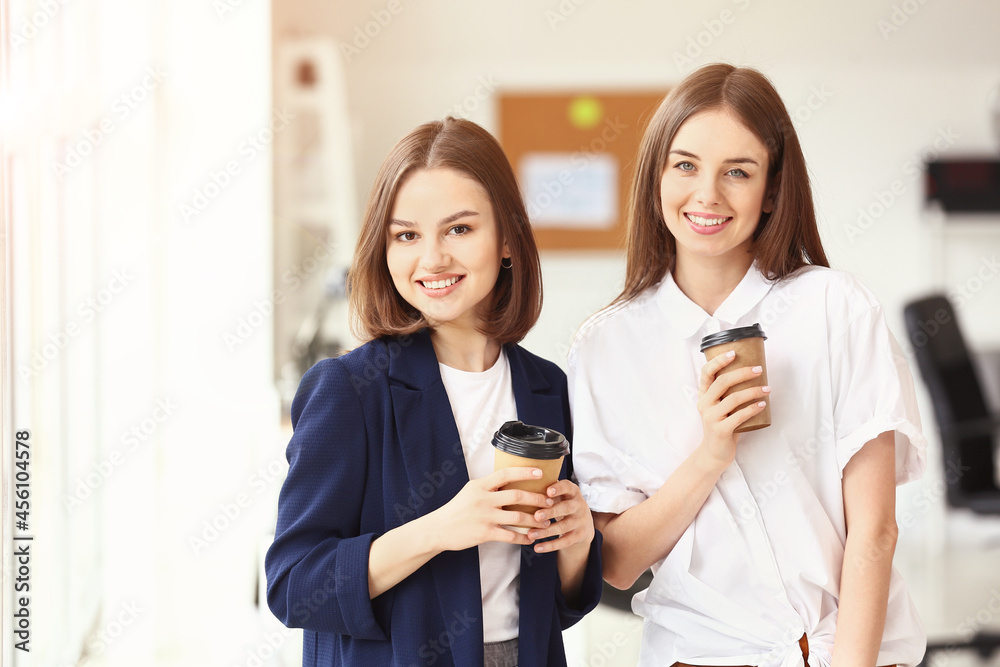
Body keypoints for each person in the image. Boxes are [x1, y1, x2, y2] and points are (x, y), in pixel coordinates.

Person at [569, 63, 926, 667]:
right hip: (698, 655)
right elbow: (621, 564)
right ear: (656, 177)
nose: (707, 194)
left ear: (773, 189)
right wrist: (711, 453)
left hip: (849, 651)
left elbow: (875, 533)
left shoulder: (835, 309)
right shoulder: (606, 346)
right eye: (685, 165)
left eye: (738, 171)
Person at [266, 117, 602, 667]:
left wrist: (578, 538)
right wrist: (443, 528)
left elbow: (560, 603)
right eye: (407, 235)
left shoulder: (547, 389)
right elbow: (294, 584)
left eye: (460, 229)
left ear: (509, 239)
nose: (432, 259)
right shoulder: (349, 391)